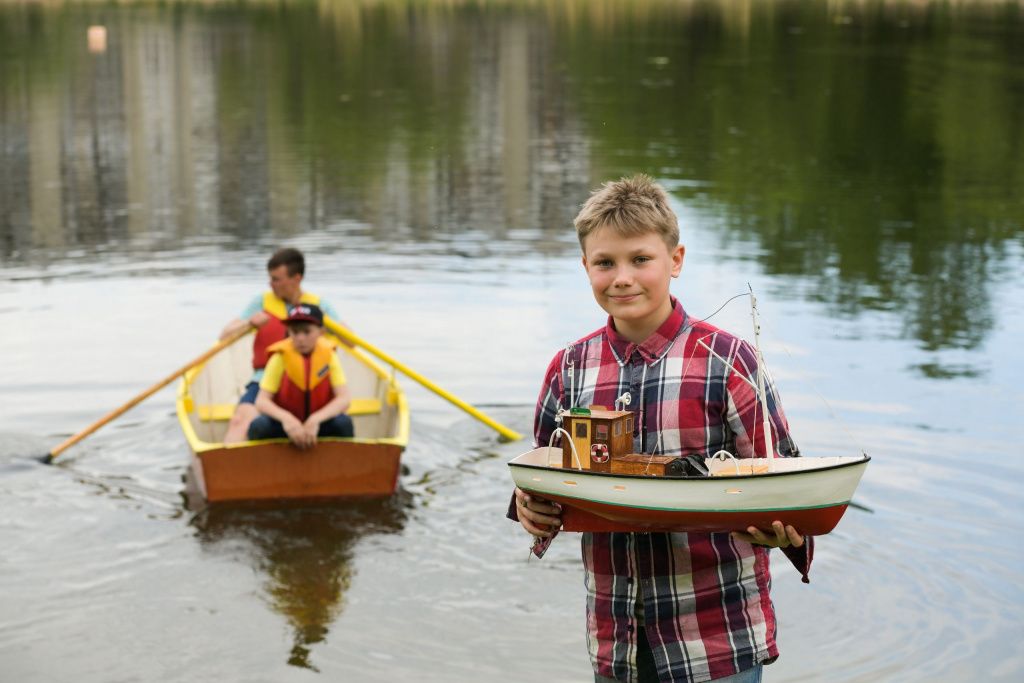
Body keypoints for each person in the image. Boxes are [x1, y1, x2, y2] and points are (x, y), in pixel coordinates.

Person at [510, 175, 813, 683]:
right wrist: (529, 508)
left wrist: (788, 531)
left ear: (675, 260)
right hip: (616, 638)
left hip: (718, 635)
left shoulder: (728, 360)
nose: (622, 277)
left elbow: (784, 478)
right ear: (586, 267)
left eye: (640, 260)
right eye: (605, 263)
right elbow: (543, 469)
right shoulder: (569, 368)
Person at [221, 248, 342, 443]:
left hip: (312, 381)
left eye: (276, 279)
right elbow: (224, 335)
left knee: (341, 422)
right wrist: (249, 323)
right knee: (239, 421)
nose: (271, 284)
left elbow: (351, 341)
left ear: (296, 278)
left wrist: (323, 323)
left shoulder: (319, 306)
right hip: (264, 379)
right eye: (270, 278)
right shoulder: (261, 302)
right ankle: (226, 469)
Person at [247, 303, 353, 446]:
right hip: (285, 425)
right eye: (295, 332)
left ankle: (341, 465)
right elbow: (262, 402)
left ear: (321, 332)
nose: (300, 338)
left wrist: (316, 419)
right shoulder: (280, 357)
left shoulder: (329, 356)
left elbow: (344, 398)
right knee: (259, 426)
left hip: (319, 423)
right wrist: (287, 419)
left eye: (307, 332)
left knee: (343, 423)